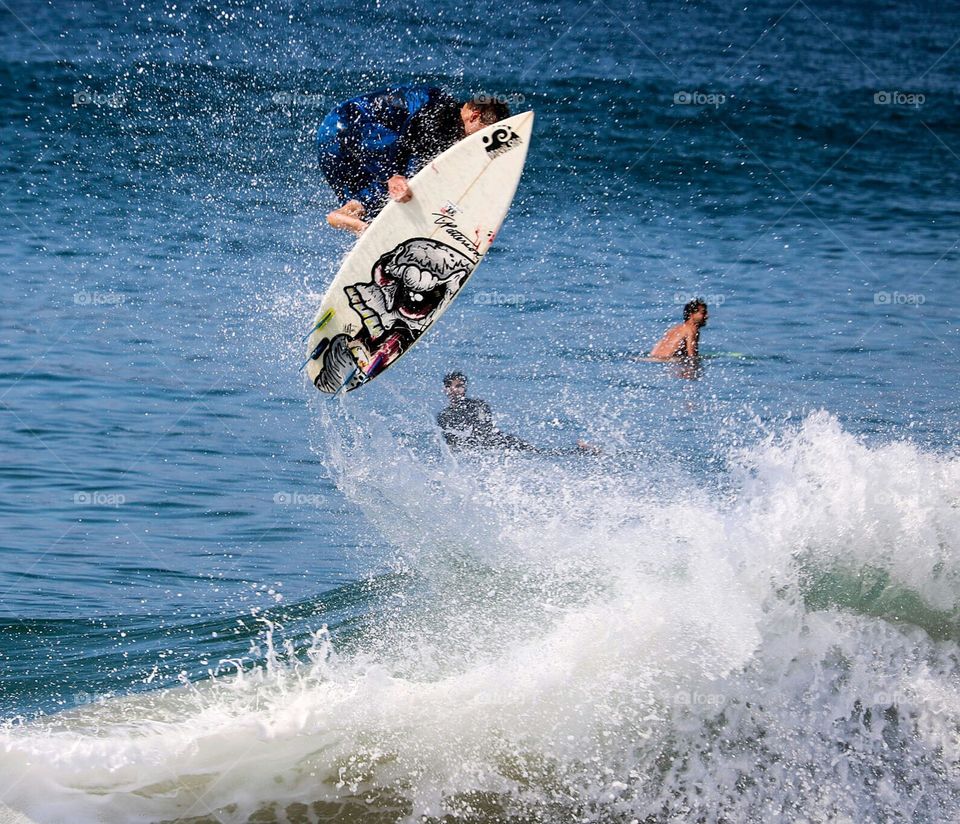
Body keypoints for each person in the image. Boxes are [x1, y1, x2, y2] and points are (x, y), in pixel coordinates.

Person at [316, 86, 510, 234]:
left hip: (330, 136)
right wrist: (392, 175)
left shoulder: (441, 107)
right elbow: (406, 137)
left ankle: (350, 219)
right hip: (353, 129)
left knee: (375, 205)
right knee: (401, 187)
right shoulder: (441, 112)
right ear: (474, 116)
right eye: (482, 134)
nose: (477, 141)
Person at [437, 372, 598, 454]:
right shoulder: (443, 416)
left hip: (500, 442)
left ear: (465, 389)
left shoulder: (477, 405)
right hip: (482, 448)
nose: (455, 390)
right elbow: (450, 442)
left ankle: (581, 451)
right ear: (445, 389)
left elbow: (484, 431)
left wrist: (474, 445)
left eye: (459, 386)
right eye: (451, 386)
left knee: (539, 453)